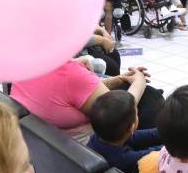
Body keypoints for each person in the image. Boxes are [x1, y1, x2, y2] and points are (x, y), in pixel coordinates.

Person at [10, 59, 157, 144]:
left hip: (42, 147)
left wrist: (120, 79)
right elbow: (118, 113)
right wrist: (139, 82)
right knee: (151, 99)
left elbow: (79, 92)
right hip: (84, 150)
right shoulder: (68, 72)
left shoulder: (24, 63)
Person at [86, 90, 161, 173]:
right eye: (137, 113)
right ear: (132, 127)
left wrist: (166, 130)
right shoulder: (124, 159)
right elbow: (158, 154)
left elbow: (136, 136)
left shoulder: (98, 136)